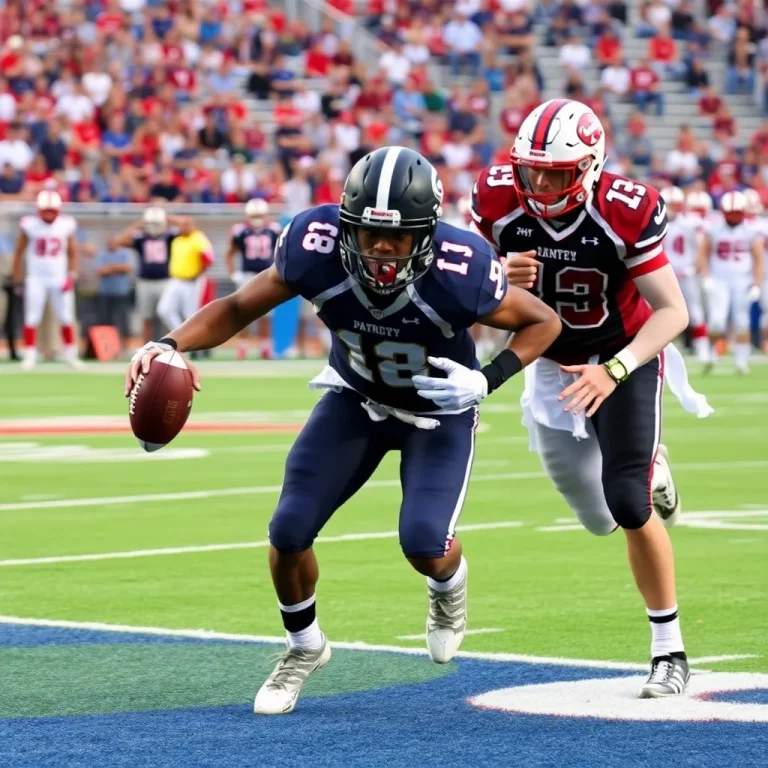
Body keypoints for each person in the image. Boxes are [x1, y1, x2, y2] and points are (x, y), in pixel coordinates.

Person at [125, 146, 561, 715]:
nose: (380, 249)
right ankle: (304, 646)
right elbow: (235, 307)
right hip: (354, 397)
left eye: (397, 238)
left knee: (425, 545)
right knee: (287, 531)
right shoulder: (315, 246)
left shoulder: (462, 270)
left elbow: (542, 321)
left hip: (438, 410)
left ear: (426, 234)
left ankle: (447, 588)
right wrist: (168, 343)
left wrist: (487, 378)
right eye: (367, 234)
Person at [471, 98, 713, 698]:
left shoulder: (625, 209)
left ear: (590, 164)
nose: (542, 183)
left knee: (628, 502)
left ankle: (669, 650)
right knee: (596, 516)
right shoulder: (499, 200)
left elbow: (673, 311)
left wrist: (616, 369)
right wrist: (498, 274)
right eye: (532, 170)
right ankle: (651, 469)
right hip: (550, 367)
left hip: (625, 356)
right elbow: (469, 289)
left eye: (557, 171)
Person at [11, 190, 82, 369]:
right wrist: (17, 279)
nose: (49, 214)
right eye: (46, 211)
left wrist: (72, 274)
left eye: (52, 210)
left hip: (59, 278)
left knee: (66, 317)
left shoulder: (65, 225)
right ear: (38, 210)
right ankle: (30, 354)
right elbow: (18, 252)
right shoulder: (30, 225)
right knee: (31, 317)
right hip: (36, 278)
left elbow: (73, 252)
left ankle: (71, 355)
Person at [699, 190, 764, 374]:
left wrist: (756, 284)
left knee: (742, 321)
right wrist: (706, 276)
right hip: (719, 280)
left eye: (737, 213)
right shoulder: (714, 229)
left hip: (742, 281)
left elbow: (758, 259)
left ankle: (741, 362)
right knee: (716, 321)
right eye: (730, 213)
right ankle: (711, 355)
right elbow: (704, 252)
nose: (733, 217)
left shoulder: (752, 230)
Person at [109, 207, 178, 344]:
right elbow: (119, 241)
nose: (154, 227)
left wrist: (170, 218)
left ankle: (168, 347)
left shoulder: (169, 236)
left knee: (166, 316)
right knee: (147, 318)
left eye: (157, 223)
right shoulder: (141, 238)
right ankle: (146, 347)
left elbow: (188, 228)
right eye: (151, 223)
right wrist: (136, 225)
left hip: (165, 280)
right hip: (145, 281)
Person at [224, 198, 280, 360]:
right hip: (247, 275)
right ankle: (242, 347)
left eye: (259, 215)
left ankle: (265, 348)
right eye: (254, 215)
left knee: (267, 314)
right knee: (244, 312)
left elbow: (282, 251)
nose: (257, 218)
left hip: (267, 274)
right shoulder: (240, 231)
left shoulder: (274, 229)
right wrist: (234, 274)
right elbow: (230, 253)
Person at [660, 185, 710, 363]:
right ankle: (662, 351)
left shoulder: (692, 222)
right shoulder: (657, 221)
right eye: (669, 204)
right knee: (660, 312)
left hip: (687, 273)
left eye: (675, 204)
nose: (672, 208)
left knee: (695, 310)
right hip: (665, 274)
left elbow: (702, 248)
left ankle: (703, 350)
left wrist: (697, 268)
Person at [156, 216, 214, 333]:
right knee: (164, 309)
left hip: (191, 282)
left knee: (190, 315)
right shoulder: (177, 239)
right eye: (181, 225)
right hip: (175, 280)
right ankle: (181, 335)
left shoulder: (198, 238)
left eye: (186, 224)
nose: (183, 227)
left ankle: (195, 343)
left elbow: (208, 260)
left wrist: (197, 274)